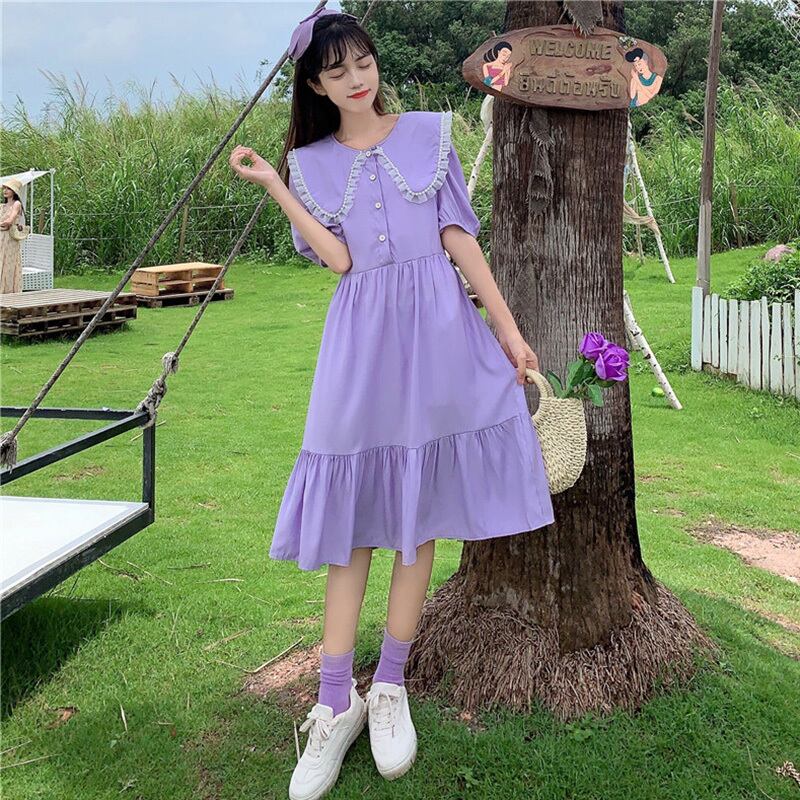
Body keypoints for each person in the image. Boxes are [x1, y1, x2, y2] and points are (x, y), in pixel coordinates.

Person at [229, 8, 555, 800]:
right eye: (337, 71)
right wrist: (274, 184)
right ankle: (332, 701)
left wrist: (509, 332)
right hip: (361, 345)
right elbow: (339, 259)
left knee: (417, 516)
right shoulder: (308, 162)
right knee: (352, 525)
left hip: (439, 336)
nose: (356, 79)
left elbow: (458, 239)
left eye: (363, 63)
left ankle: (390, 687)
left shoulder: (429, 135)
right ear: (316, 85)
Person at [0, 177, 27, 294]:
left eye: (8, 189)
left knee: (9, 263)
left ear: (14, 191)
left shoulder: (16, 204)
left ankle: (8, 290)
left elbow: (9, 221)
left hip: (10, 238)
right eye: (4, 188)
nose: (5, 191)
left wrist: (5, 224)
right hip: (1, 237)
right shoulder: (2, 206)